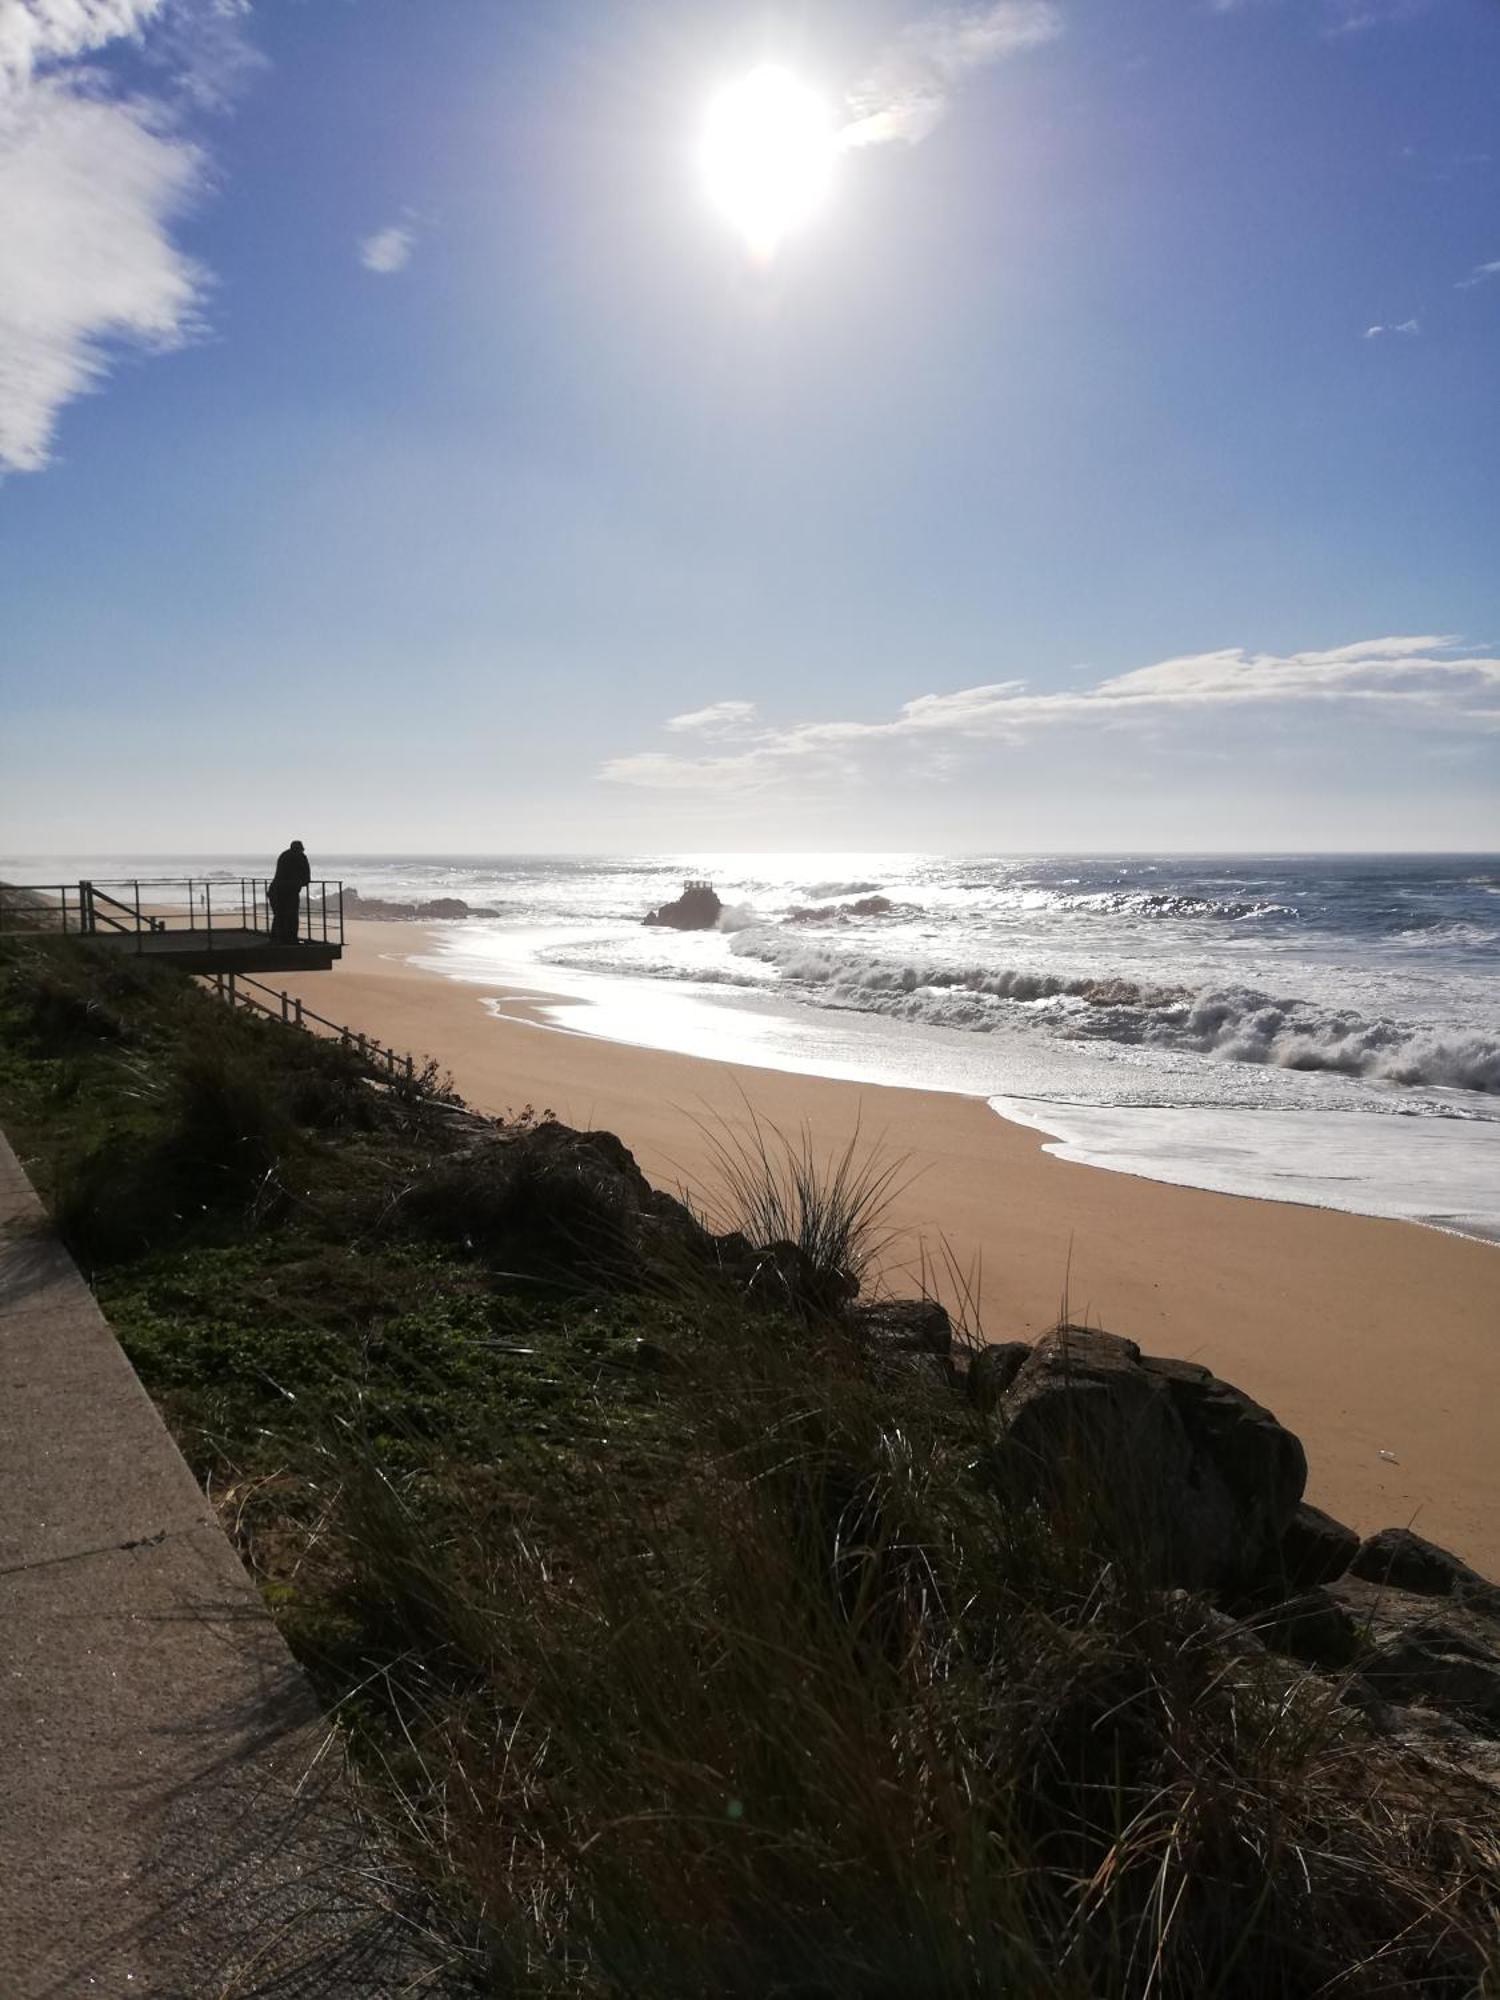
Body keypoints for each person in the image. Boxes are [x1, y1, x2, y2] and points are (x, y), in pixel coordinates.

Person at [268, 839, 311, 942]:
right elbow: (307, 878)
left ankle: (277, 938)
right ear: (300, 849)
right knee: (291, 917)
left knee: (279, 916)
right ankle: (290, 939)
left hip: (275, 890)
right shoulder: (300, 857)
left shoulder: (284, 855)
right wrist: (300, 882)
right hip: (289, 892)